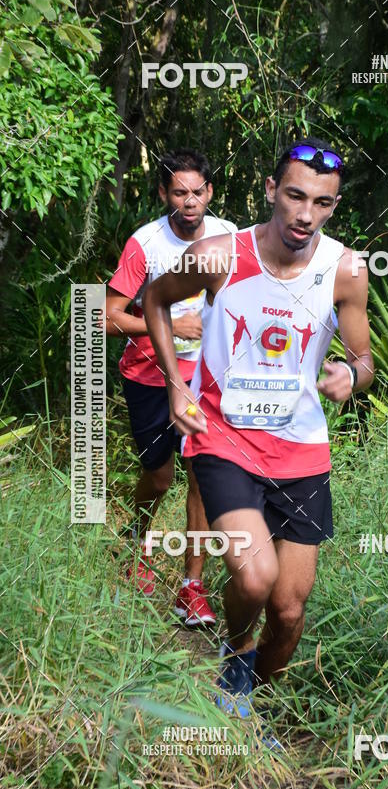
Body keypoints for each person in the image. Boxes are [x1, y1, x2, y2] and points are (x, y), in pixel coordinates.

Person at [143, 137, 373, 715]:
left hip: (301, 452)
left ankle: (252, 709)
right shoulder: (221, 255)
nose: (304, 215)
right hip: (223, 438)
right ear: (271, 190)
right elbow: (154, 302)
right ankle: (236, 648)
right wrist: (175, 384)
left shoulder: (344, 270)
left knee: (290, 613)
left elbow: (365, 361)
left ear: (334, 206)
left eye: (321, 203)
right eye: (295, 196)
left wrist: (351, 373)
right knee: (253, 578)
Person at [106, 148, 237, 627]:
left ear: (209, 192)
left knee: (202, 477)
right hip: (149, 374)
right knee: (159, 476)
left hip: (206, 377)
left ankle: (191, 587)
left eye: (197, 191)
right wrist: (166, 325)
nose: (189, 201)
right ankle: (136, 542)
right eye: (178, 192)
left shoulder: (229, 239)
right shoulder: (145, 243)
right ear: (164, 193)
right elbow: (106, 317)